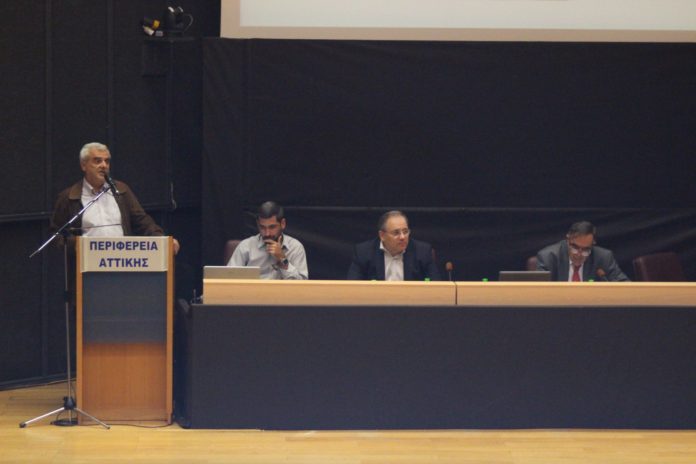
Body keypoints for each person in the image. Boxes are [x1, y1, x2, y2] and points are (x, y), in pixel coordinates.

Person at [50, 142, 180, 253]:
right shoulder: (69, 196)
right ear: (83, 165)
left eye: (107, 161)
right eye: (97, 161)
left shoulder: (121, 191)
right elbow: (57, 234)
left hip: (120, 263)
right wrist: (75, 245)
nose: (104, 165)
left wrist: (163, 241)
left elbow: (142, 222)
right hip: (86, 266)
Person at [347, 210, 442, 281]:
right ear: (382, 235)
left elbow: (436, 287)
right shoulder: (363, 252)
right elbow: (353, 287)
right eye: (396, 233)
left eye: (405, 232)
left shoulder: (423, 252)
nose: (402, 237)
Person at [227, 201, 308, 280]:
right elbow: (228, 278)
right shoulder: (245, 246)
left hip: (282, 289)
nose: (267, 233)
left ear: (283, 224)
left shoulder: (295, 247)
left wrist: (283, 259)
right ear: (258, 224)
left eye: (272, 227)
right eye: (262, 227)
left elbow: (302, 284)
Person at [536, 221, 629, 282]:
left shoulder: (603, 258)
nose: (579, 254)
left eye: (585, 250)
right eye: (575, 248)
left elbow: (625, 287)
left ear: (593, 244)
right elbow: (539, 293)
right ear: (568, 240)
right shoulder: (549, 257)